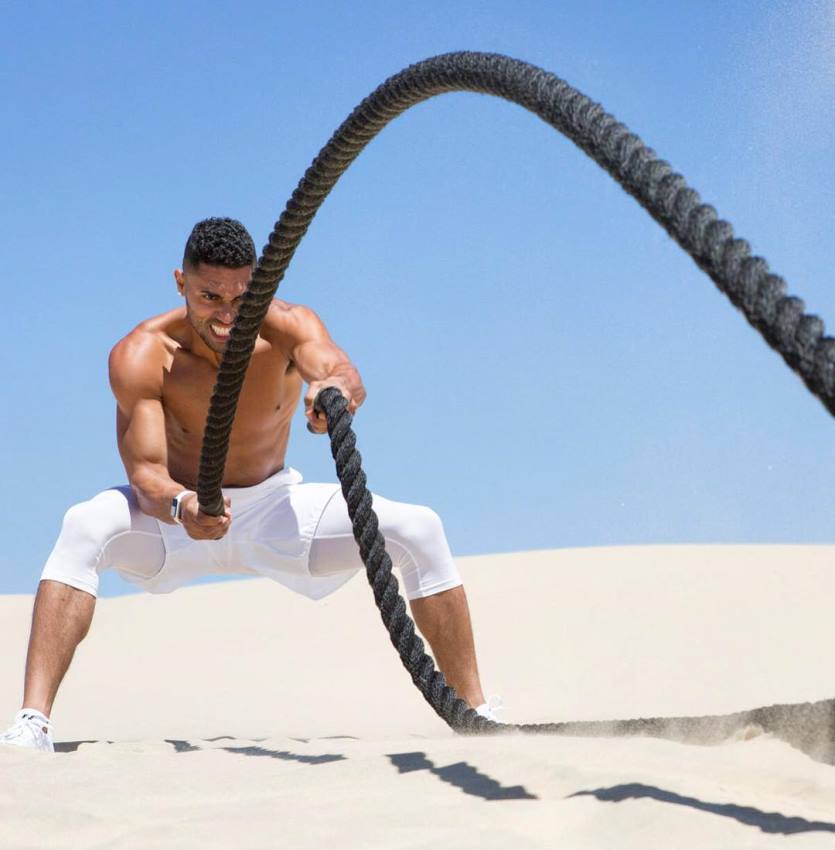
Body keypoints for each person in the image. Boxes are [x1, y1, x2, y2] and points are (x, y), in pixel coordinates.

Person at [0, 218, 501, 753]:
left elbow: (340, 369)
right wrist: (181, 504)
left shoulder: (287, 326)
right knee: (84, 525)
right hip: (178, 520)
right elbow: (145, 471)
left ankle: (476, 713)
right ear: (180, 283)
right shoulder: (145, 353)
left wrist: (333, 390)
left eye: (241, 296)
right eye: (209, 296)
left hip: (274, 511)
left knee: (419, 528)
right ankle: (33, 725)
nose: (227, 313)